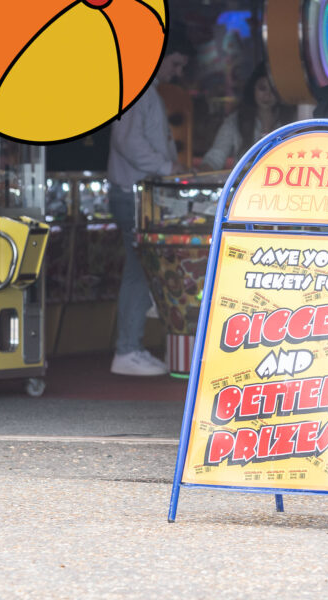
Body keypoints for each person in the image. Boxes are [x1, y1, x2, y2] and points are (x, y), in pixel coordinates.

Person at [107, 27, 194, 376]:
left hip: (136, 191)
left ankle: (131, 344)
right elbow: (128, 142)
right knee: (139, 271)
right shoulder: (139, 91)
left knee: (141, 269)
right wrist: (166, 166)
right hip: (133, 192)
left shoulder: (144, 91)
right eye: (176, 63)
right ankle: (127, 348)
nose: (178, 72)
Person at [200, 63, 296, 171]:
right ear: (253, 89)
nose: (267, 95)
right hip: (244, 185)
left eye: (273, 90)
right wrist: (201, 173)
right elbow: (215, 157)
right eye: (262, 88)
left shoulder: (291, 123)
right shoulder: (235, 121)